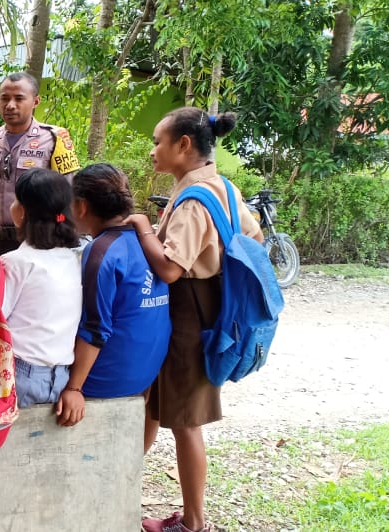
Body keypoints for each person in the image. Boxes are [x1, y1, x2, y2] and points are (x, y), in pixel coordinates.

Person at [126, 109, 261, 532]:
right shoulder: (223, 187)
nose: (152, 151)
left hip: (188, 315)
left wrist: (144, 229)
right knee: (151, 406)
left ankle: (194, 523)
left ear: (183, 145)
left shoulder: (192, 201)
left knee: (185, 422)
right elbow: (253, 237)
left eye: (158, 142)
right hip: (208, 307)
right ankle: (121, 492)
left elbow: (169, 269)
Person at [56, 164, 171, 428]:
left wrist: (74, 388)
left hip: (107, 378)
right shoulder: (148, 243)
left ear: (82, 207)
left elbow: (95, 328)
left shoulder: (101, 252)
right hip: (146, 373)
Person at [0, 168, 81, 408]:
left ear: (22, 211)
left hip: (20, 376)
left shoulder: (17, 262)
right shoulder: (74, 259)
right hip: (60, 378)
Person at [0, 72, 80, 255]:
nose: (10, 105)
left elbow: (69, 193)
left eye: (19, 99)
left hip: (37, 240)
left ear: (35, 101)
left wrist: (61, 234)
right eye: (4, 98)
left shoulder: (55, 139)